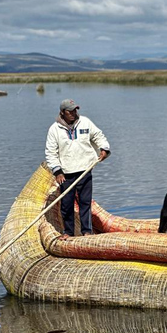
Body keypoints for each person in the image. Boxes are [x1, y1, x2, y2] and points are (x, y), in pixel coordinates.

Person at [45, 99, 110, 237]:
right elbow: (51, 153)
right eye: (70, 111)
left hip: (85, 168)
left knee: (85, 202)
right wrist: (57, 171)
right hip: (66, 173)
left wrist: (104, 148)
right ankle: (68, 232)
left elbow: (98, 136)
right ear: (62, 112)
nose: (74, 113)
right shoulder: (54, 129)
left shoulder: (85, 122)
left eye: (75, 110)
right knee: (66, 204)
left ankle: (86, 231)